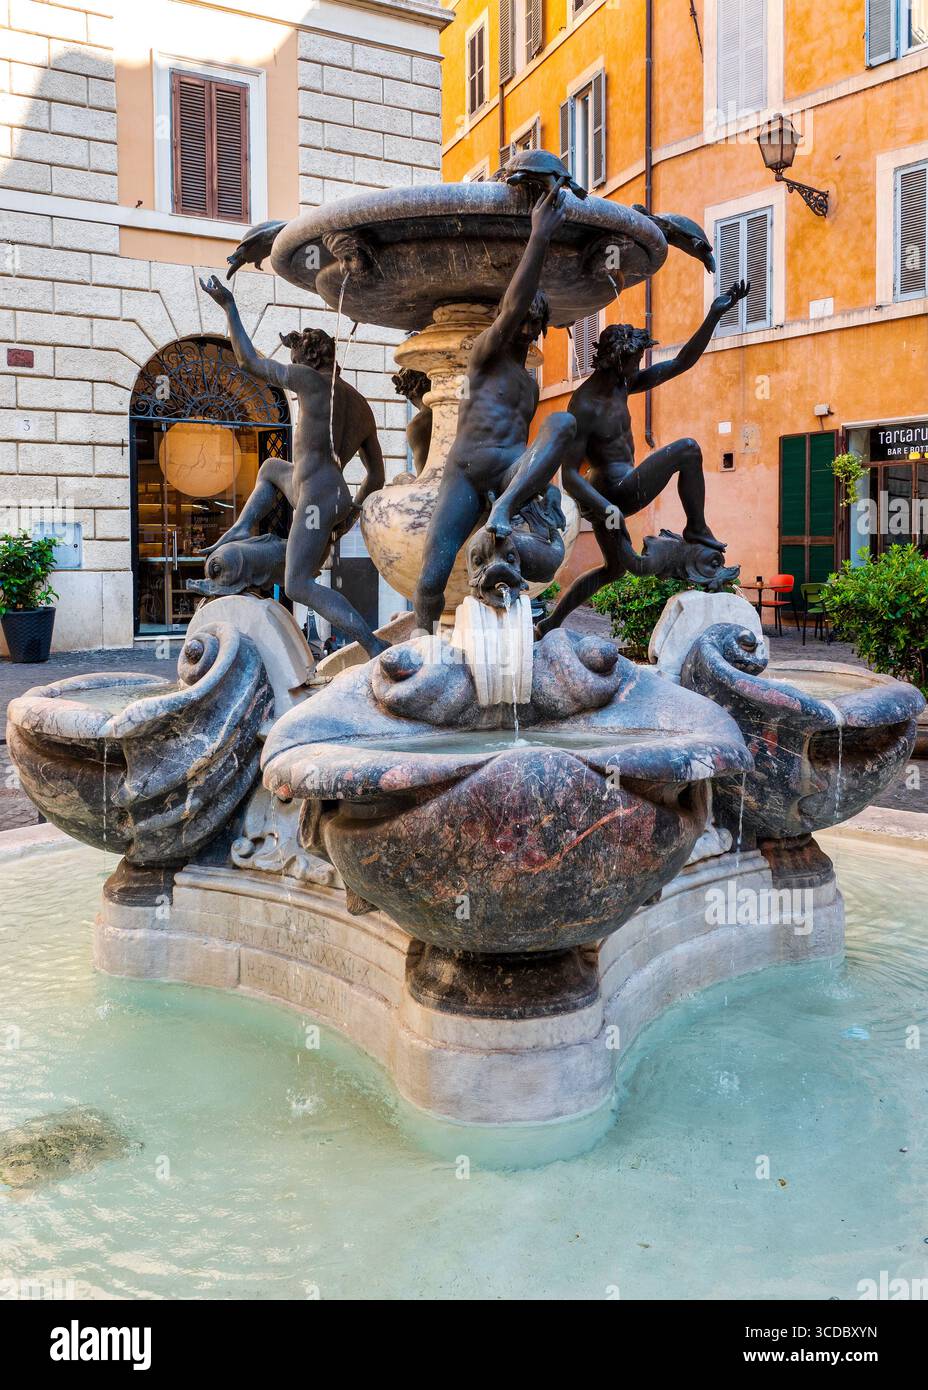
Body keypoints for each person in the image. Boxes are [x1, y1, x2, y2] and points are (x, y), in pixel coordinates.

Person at [538, 280, 749, 634]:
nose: (639, 368)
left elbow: (680, 363)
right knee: (688, 449)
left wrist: (714, 315)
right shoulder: (585, 405)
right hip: (611, 494)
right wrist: (607, 510)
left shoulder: (621, 384)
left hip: (614, 495)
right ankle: (696, 527)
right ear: (617, 361)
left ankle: (551, 622)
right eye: (635, 362)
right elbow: (569, 476)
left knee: (615, 570)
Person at [413, 187, 576, 631]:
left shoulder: (530, 383)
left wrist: (520, 497)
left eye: (533, 320)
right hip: (466, 471)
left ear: (541, 326)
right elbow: (510, 306)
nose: (524, 325)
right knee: (431, 577)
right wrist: (539, 236)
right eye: (521, 317)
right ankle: (421, 645)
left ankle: (504, 507)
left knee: (563, 422)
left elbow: (535, 442)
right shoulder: (485, 352)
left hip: (510, 477)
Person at [199, 276, 387, 656]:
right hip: (329, 493)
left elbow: (247, 360)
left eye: (295, 360)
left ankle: (372, 643)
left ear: (306, 359)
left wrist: (229, 306)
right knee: (270, 466)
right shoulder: (362, 406)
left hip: (314, 495)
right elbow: (377, 476)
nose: (292, 370)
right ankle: (242, 525)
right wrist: (348, 513)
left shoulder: (311, 381)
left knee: (297, 584)